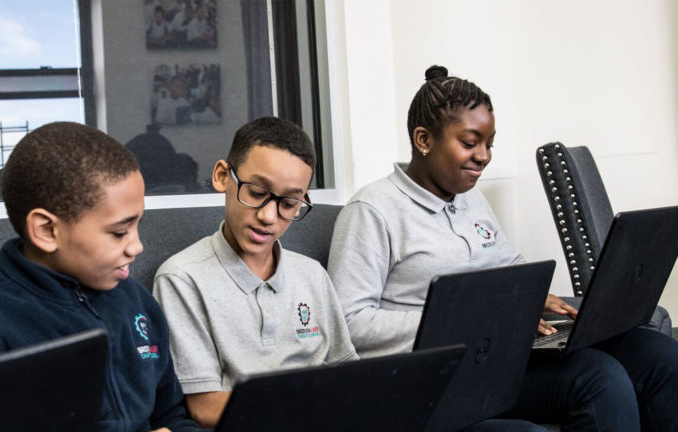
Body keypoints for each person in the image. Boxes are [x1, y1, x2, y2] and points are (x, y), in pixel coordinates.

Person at [328, 65, 678, 431]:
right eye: (469, 143)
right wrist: (464, 324)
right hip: (444, 378)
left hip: (499, 351)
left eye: (489, 143)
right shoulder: (372, 210)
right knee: (598, 378)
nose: (484, 156)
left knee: (657, 355)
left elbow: (508, 262)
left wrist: (533, 295)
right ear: (423, 139)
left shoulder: (469, 198)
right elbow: (350, 323)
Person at [0, 122, 205, 432]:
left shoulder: (135, 300)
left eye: (137, 225)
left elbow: (170, 416)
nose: (137, 246)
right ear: (46, 231)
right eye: (119, 232)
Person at [153, 117, 358, 429]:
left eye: (289, 203)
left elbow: (347, 375)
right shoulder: (182, 279)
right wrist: (314, 408)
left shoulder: (312, 275)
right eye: (257, 192)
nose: (268, 216)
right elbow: (205, 407)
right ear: (223, 176)